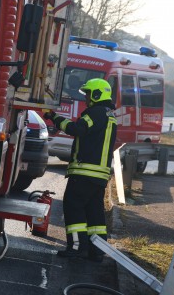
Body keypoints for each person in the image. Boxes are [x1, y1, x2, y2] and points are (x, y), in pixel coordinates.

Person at [44, 78, 117, 262]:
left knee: (73, 206)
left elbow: (76, 129)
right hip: (99, 175)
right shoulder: (109, 115)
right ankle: (97, 250)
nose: (86, 98)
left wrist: (54, 117)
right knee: (94, 213)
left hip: (85, 172)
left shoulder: (94, 113)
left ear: (97, 94)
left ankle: (76, 247)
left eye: (89, 94)